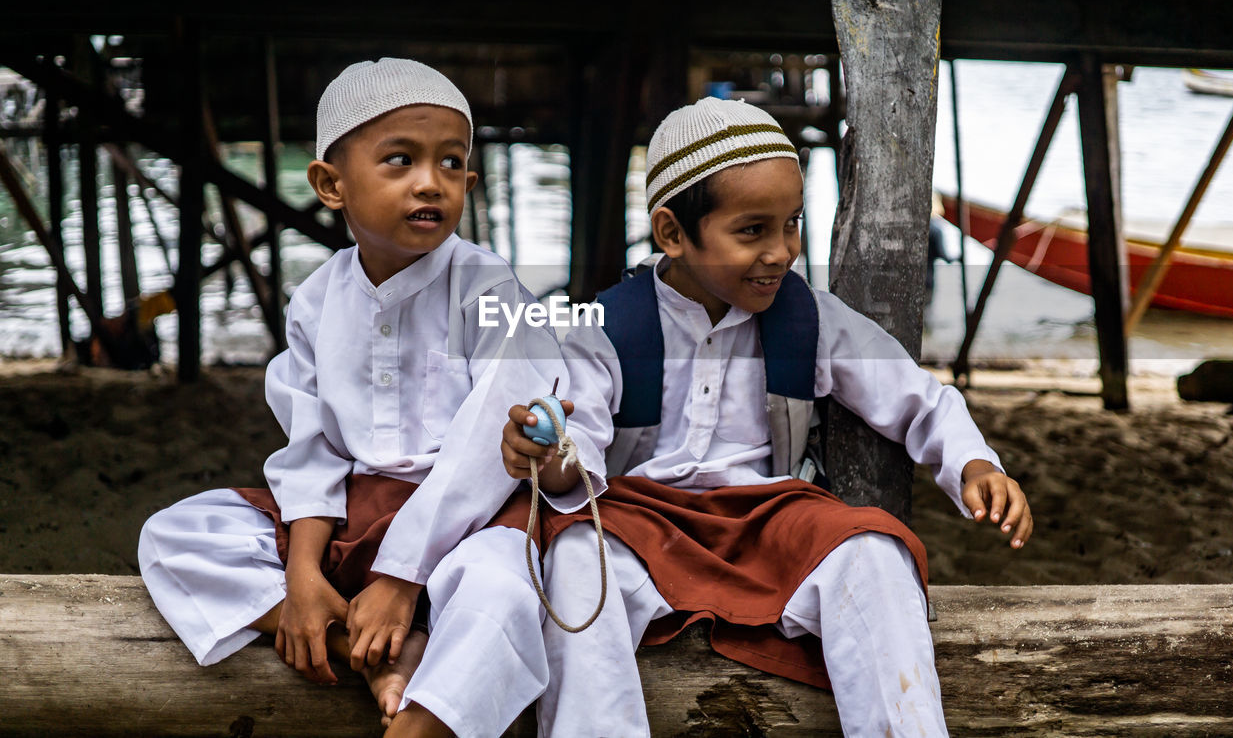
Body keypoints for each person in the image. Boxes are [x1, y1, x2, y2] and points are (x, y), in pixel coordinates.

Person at [495, 96, 1033, 737]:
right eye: (753, 231)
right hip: (640, 522)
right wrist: (551, 459)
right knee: (577, 563)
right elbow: (574, 450)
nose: (782, 252)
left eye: (792, 225)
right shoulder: (608, 328)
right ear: (672, 233)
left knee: (875, 554)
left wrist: (973, 462)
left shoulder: (808, 317)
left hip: (771, 516)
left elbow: (917, 396)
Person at [138, 58, 605, 736]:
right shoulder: (317, 300)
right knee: (175, 535)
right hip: (351, 523)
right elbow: (313, 449)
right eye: (399, 159)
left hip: (467, 524)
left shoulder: (491, 288)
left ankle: (420, 719)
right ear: (331, 184)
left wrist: (401, 578)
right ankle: (360, 648)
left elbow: (483, 452)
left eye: (450, 164)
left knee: (503, 590)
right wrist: (301, 572)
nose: (430, 182)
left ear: (469, 184)